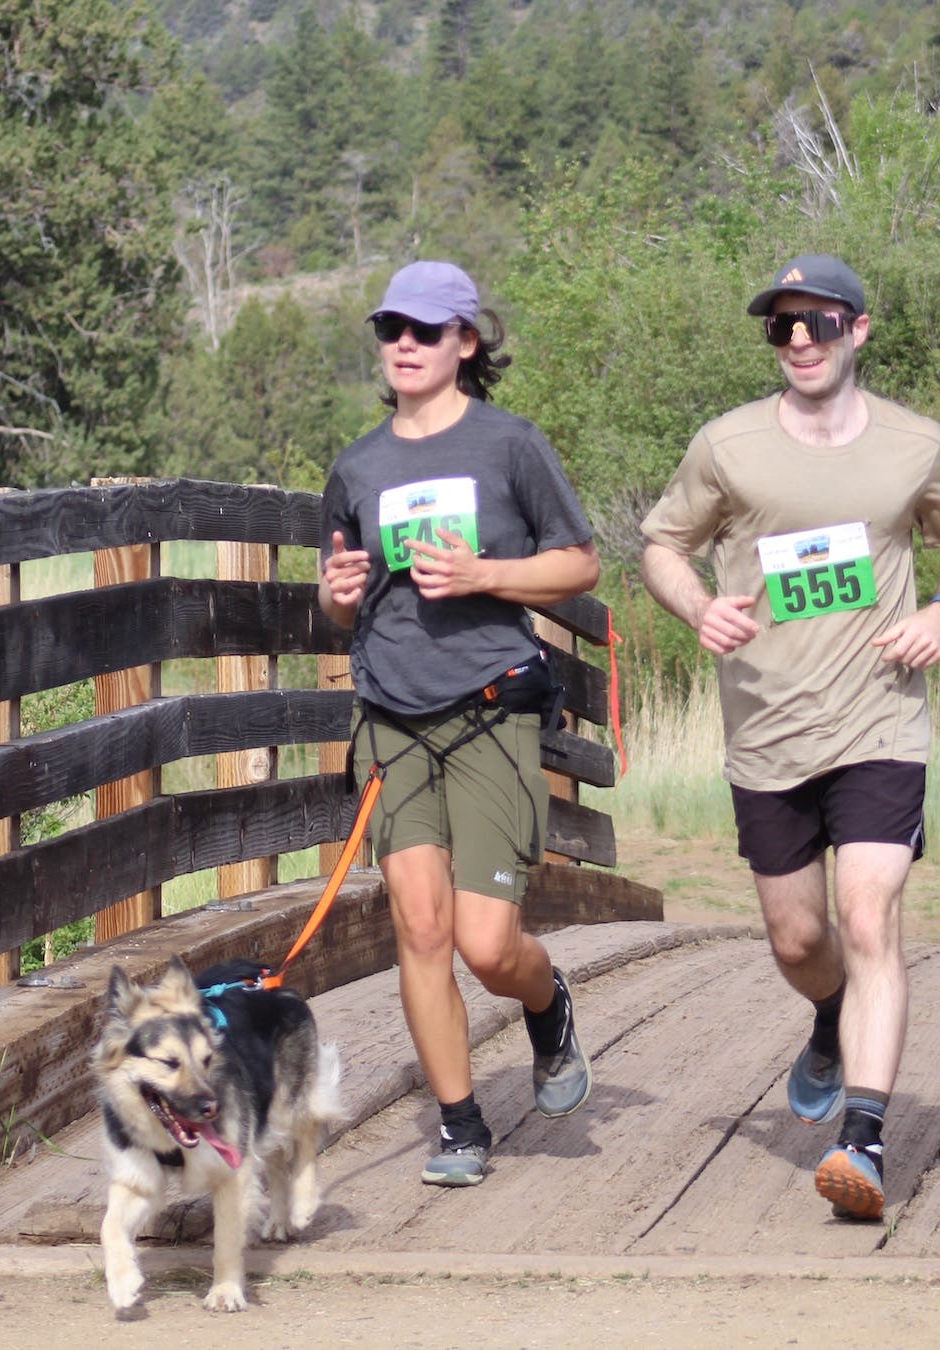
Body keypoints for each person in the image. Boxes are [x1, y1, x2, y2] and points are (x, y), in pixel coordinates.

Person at [638, 254, 940, 1221]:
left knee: (870, 915)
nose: (799, 338)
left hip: (880, 717)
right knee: (800, 938)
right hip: (768, 726)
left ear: (859, 330)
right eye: (781, 326)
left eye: (818, 322)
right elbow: (661, 546)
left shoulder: (917, 445)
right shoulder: (729, 446)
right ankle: (829, 1016)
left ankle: (865, 1144)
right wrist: (698, 608)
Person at [319, 260, 602, 1187]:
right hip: (393, 718)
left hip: (490, 710)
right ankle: (458, 1124)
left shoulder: (509, 446)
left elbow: (578, 567)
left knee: (487, 945)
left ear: (465, 343)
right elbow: (341, 600)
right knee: (421, 928)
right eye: (390, 329)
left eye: (424, 330)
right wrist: (335, 593)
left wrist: (486, 575)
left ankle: (546, 1003)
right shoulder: (357, 466)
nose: (403, 343)